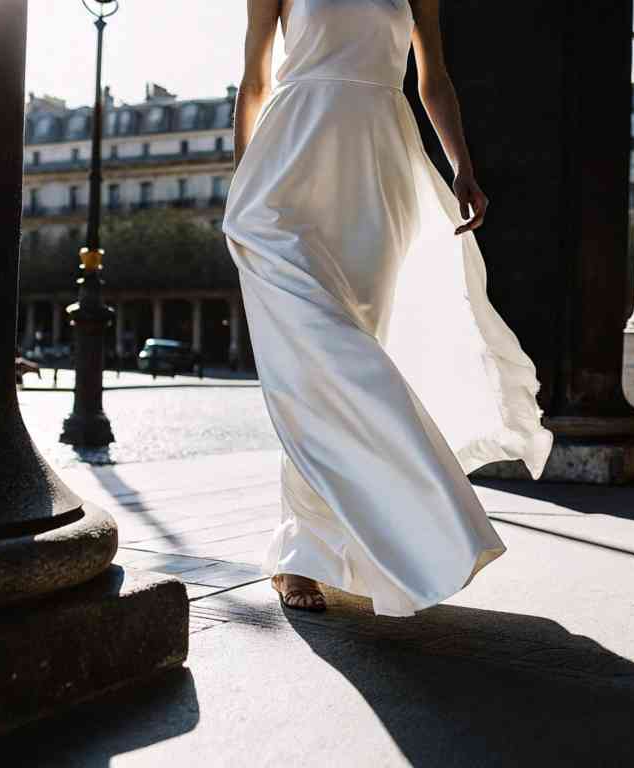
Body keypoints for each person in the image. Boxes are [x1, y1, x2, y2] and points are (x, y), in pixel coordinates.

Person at [222, 0, 553, 616]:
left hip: (380, 165)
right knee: (318, 358)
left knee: (352, 354)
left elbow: (434, 80)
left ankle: (321, 545)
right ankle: (313, 549)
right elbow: (256, 81)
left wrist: (462, 167)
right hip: (289, 161)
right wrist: (243, 176)